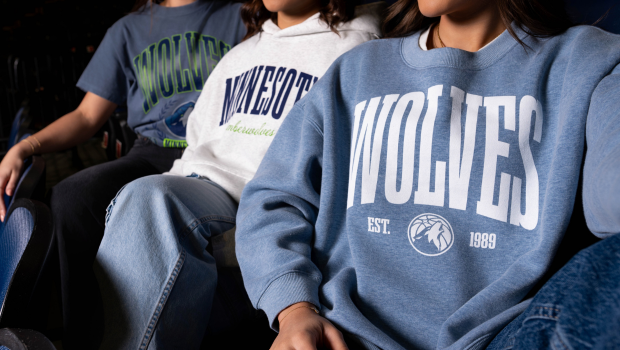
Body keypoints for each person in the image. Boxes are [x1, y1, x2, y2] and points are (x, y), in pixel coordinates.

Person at [235, 0, 620, 349]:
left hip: (510, 337)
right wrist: (295, 309)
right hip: (349, 339)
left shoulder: (586, 60)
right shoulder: (356, 70)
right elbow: (273, 198)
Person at [93, 0, 383, 348]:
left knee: (150, 199)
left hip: (264, 201)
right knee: (137, 200)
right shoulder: (241, 53)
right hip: (200, 190)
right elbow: (197, 145)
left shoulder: (362, 47)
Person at [0, 0, 246, 348]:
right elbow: (85, 117)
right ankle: (84, 338)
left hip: (220, 151)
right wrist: (25, 147)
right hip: (152, 152)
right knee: (71, 197)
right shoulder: (128, 29)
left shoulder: (243, 15)